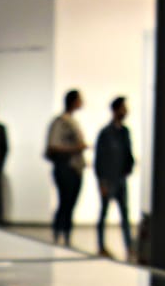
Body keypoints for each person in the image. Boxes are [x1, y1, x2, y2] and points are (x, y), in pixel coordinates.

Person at [93, 96, 136, 258]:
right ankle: (101, 245)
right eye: (123, 108)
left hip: (121, 179)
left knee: (125, 215)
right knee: (104, 213)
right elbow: (100, 159)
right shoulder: (105, 134)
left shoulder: (125, 132)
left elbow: (128, 153)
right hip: (108, 179)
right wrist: (102, 181)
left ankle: (129, 246)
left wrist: (129, 168)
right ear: (116, 110)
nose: (126, 111)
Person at [45, 90, 88, 246]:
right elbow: (54, 146)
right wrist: (77, 148)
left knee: (70, 203)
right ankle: (59, 232)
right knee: (65, 201)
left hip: (75, 168)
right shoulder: (61, 122)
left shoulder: (71, 121)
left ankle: (66, 232)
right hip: (65, 168)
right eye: (79, 99)